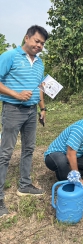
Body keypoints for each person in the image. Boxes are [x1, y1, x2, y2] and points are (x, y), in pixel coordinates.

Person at [0, 25, 48, 218]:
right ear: (27, 38)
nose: (39, 46)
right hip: (13, 110)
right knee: (5, 153)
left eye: (42, 44)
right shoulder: (10, 56)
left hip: (31, 111)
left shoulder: (39, 63)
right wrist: (16, 94)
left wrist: (43, 108)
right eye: (37, 41)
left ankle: (25, 185)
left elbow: (39, 87)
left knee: (29, 149)